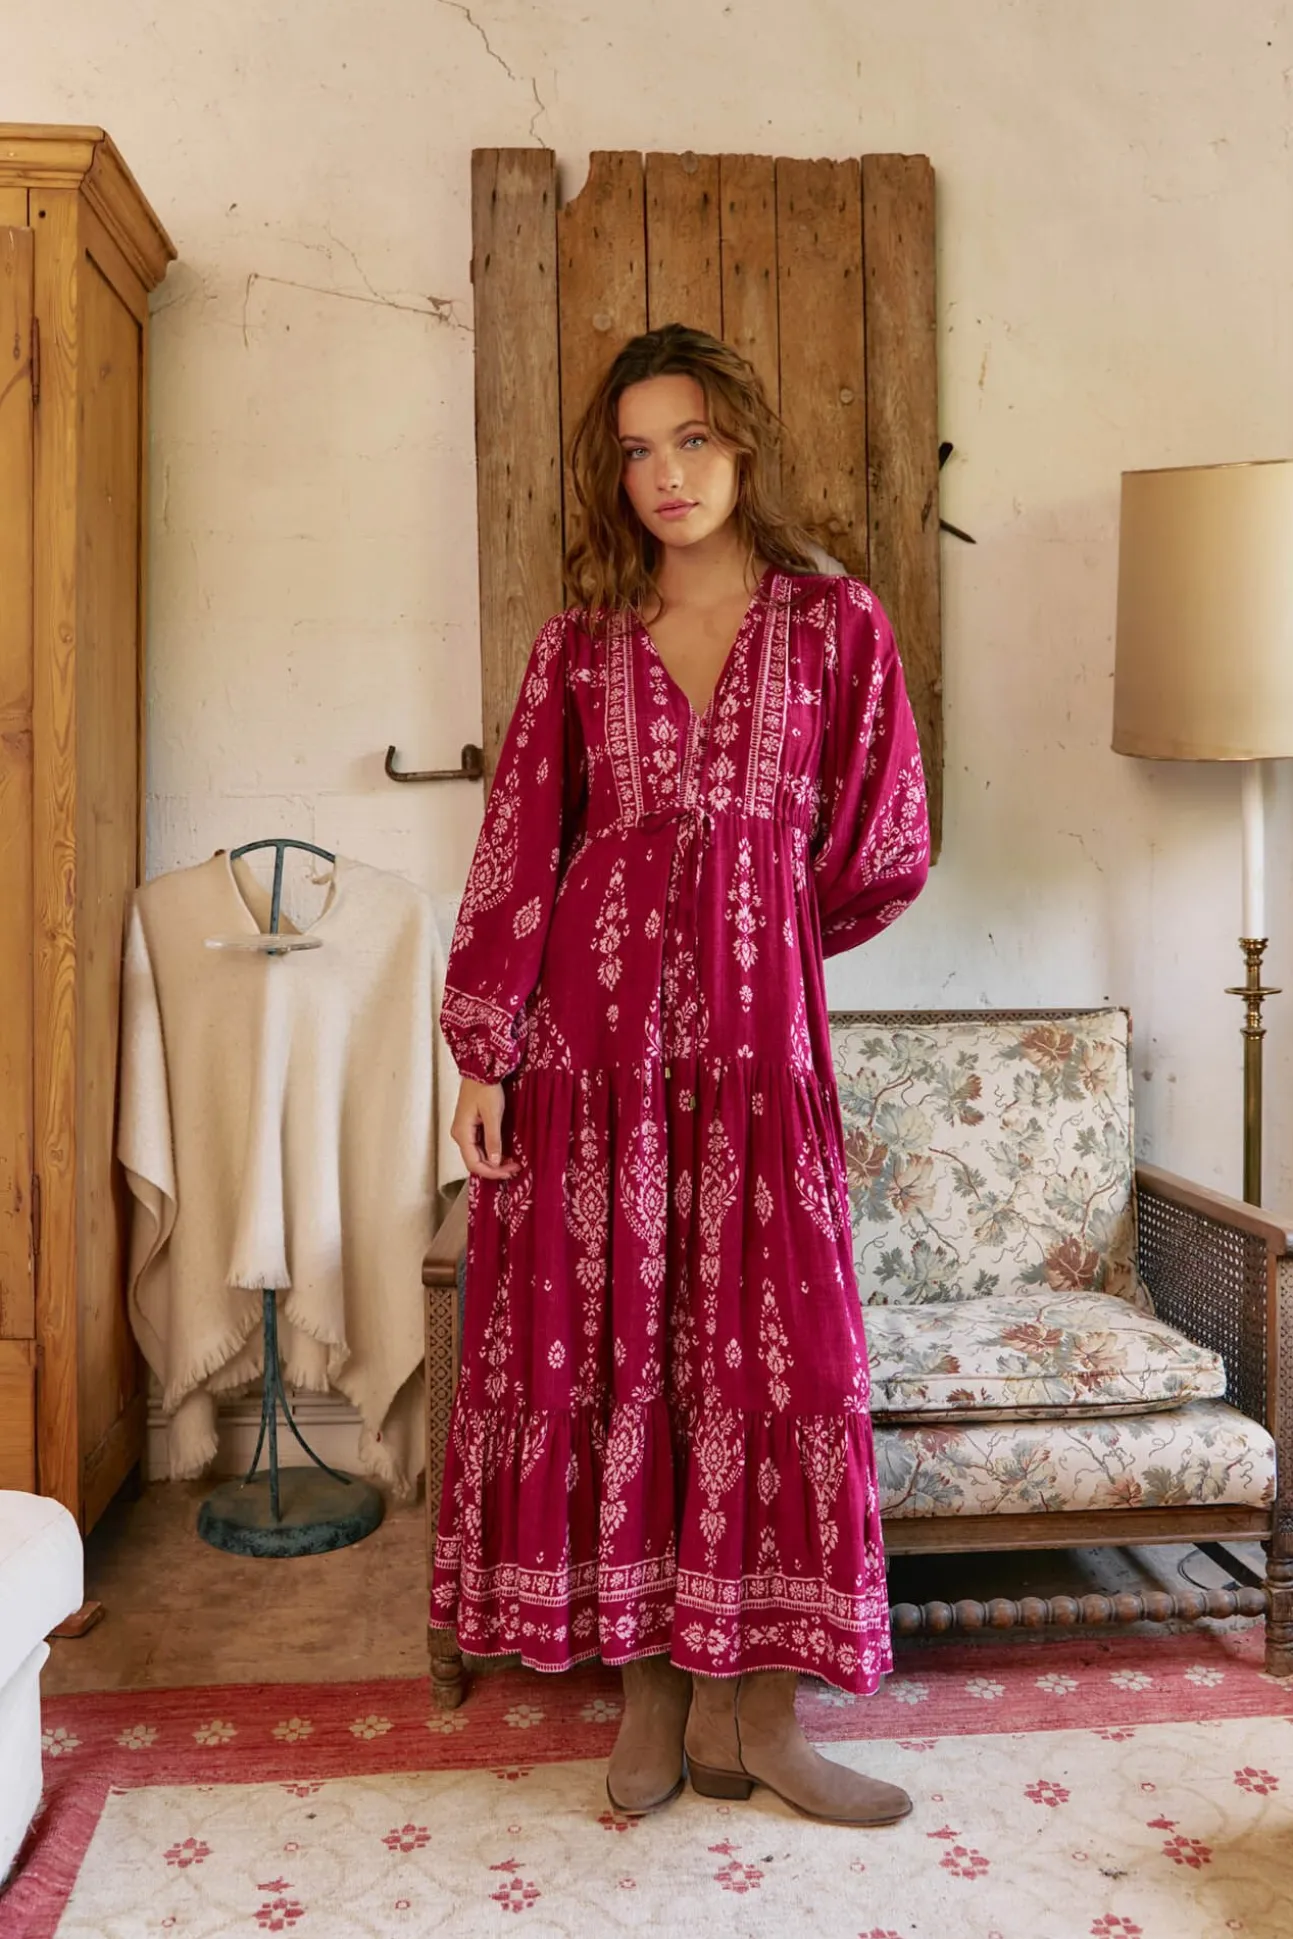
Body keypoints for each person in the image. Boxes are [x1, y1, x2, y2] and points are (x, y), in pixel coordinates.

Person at [433, 322, 930, 1828]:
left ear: (745, 445)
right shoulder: (579, 644)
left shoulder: (836, 625)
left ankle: (760, 1719)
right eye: (639, 449)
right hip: (592, 1062)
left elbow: (885, 841)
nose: (667, 474)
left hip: (760, 1066)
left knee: (784, 1359)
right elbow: (521, 852)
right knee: (621, 1353)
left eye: (693, 439)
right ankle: (652, 1696)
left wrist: (753, 929)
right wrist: (488, 1052)